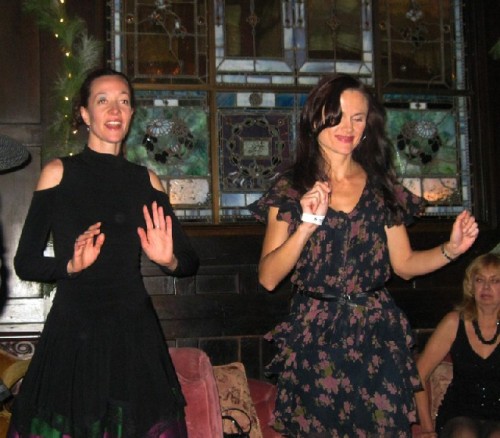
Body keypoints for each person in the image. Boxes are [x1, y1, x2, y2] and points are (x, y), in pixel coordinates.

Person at [249, 73, 479, 437]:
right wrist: (307, 225)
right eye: (338, 116)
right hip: (315, 334)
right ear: (315, 118)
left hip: (376, 334)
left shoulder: (380, 186)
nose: (348, 127)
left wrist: (451, 250)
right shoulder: (292, 187)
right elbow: (268, 277)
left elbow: (405, 265)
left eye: (358, 118)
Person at [9, 68, 199, 437]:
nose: (115, 110)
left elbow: (189, 261)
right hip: (73, 331)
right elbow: (25, 263)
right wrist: (70, 264)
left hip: (133, 331)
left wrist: (169, 260)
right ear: (85, 114)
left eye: (123, 102)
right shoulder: (59, 172)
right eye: (103, 101)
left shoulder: (146, 180)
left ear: (131, 114)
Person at [415, 253, 500, 438]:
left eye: (495, 281)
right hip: (459, 413)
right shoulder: (454, 322)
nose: (486, 287)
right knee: (465, 433)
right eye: (480, 280)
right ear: (471, 286)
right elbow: (419, 373)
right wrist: (427, 428)